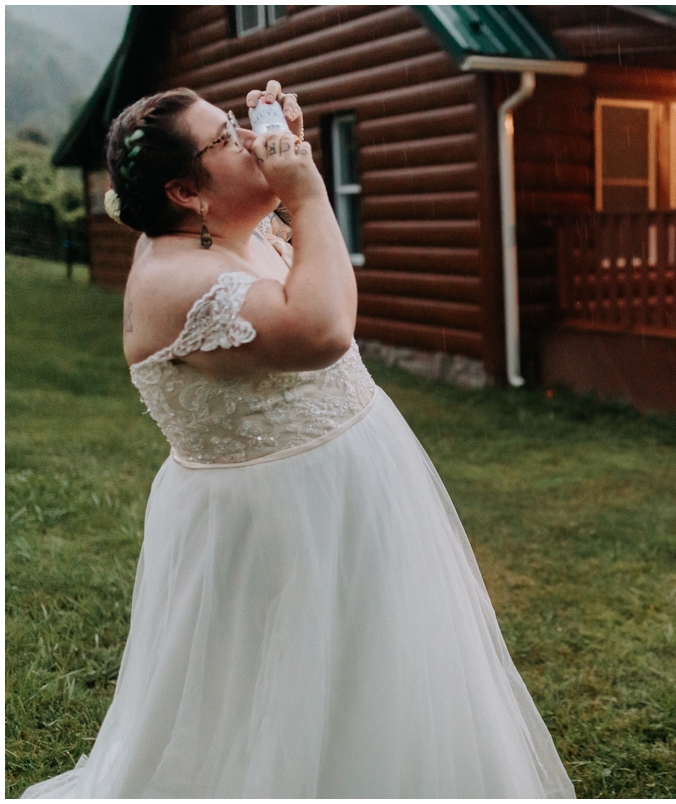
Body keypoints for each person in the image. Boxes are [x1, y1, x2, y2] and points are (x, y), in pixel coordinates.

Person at [20, 81, 574, 798]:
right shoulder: (175, 280)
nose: (255, 139)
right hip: (278, 524)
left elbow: (293, 266)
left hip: (346, 488)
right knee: (281, 692)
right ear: (186, 192)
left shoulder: (222, 235)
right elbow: (322, 329)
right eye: (228, 138)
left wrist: (286, 179)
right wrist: (309, 194)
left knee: (377, 668)